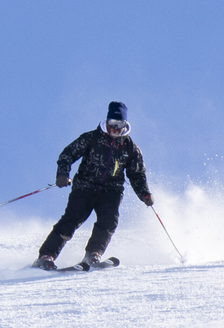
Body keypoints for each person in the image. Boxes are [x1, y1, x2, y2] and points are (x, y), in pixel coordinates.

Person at [32, 102, 153, 269]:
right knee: (71, 220)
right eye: (112, 123)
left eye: (119, 124)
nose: (114, 128)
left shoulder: (130, 148)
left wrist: (144, 194)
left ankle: (93, 255)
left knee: (109, 221)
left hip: (111, 191)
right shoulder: (92, 138)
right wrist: (62, 174)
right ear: (106, 121)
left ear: (125, 125)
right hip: (85, 187)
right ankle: (46, 256)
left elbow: (137, 173)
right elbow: (68, 154)